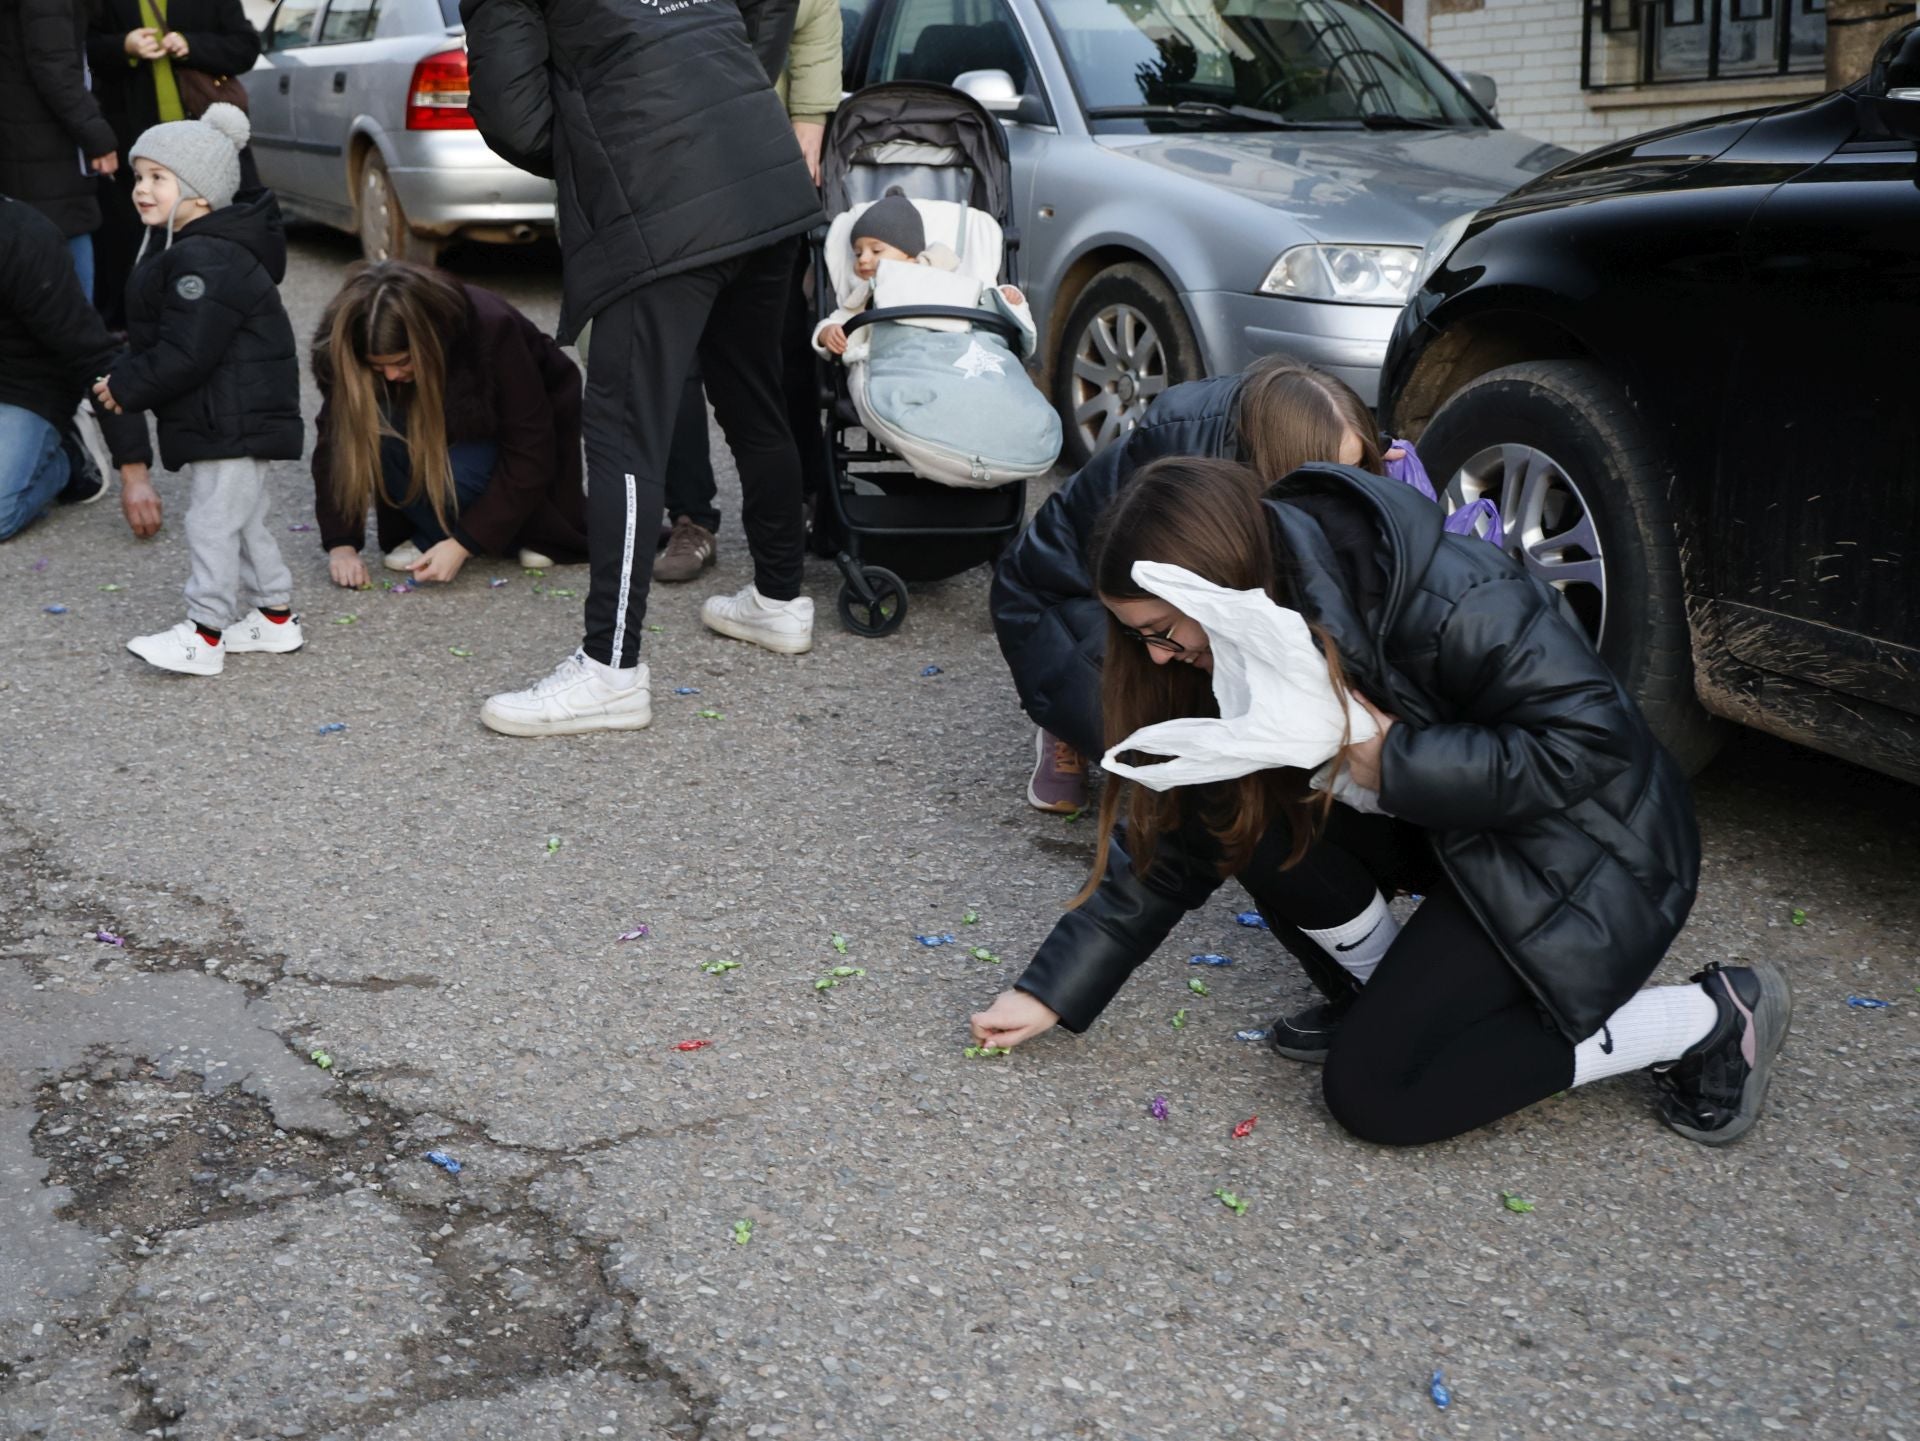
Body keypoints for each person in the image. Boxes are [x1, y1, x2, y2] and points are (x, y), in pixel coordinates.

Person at [972, 455, 1791, 1149]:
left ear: (1221, 581)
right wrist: (1053, 989)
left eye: (1161, 628)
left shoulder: (1443, 594)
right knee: (1236, 813)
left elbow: (1591, 746)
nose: (1160, 654)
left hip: (1584, 852)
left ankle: (1706, 1018)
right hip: (1453, 830)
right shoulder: (1230, 644)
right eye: (1138, 635)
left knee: (1377, 1095)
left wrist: (1395, 757)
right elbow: (1177, 831)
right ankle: (1383, 992)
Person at [464, 0, 824, 738]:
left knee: (624, 431)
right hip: (759, 167)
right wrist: (708, 102)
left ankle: (610, 669)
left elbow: (512, 115)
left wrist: (615, 141)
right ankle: (780, 600)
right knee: (755, 397)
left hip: (656, 188)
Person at [1001, 357, 1405, 823]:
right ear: (1284, 464)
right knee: (1191, 750)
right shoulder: (1185, 459)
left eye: (1355, 469)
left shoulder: (1299, 436)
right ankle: (1061, 725)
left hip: (1154, 605)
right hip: (1068, 601)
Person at [90, 104, 303, 676]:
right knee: (243, 517)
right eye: (139, 176)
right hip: (233, 412)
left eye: (159, 178)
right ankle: (274, 618)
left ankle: (205, 633)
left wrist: (126, 385)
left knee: (212, 520)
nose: (141, 189)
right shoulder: (194, 247)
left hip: (229, 416)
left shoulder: (204, 258)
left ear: (202, 194)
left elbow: (189, 350)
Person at [656, 0, 842, 584]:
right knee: (674, 371)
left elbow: (813, 14)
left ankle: (798, 527)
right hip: (664, 179)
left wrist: (809, 117)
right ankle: (693, 519)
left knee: (772, 367)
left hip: (759, 175)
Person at [309, 262, 589, 590]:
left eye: (402, 362)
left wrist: (463, 544)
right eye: (377, 367)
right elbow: (336, 443)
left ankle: (524, 530)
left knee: (462, 474)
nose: (391, 376)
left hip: (508, 441)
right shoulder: (346, 352)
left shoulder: (491, 330)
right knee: (373, 420)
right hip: (447, 436)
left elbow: (531, 448)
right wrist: (341, 545)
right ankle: (435, 530)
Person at [86, 0, 259, 327]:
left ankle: (219, 318)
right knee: (134, 247)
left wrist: (191, 45)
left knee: (215, 238)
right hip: (135, 147)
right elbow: (84, 48)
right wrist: (125, 46)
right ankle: (141, 329)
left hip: (203, 145)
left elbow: (246, 47)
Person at [0, 193, 147, 539]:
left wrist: (134, 469)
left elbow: (94, 354)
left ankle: (71, 458)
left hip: (29, 386)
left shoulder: (22, 238)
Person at [0, 0, 122, 304]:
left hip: (25, 140)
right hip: (46, 144)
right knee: (68, 244)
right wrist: (98, 137)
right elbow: (55, 68)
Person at [810, 191, 1028, 360]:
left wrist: (1007, 298)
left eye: (876, 251)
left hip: (947, 349)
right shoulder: (863, 294)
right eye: (857, 253)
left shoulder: (938, 275)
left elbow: (978, 299)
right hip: (896, 356)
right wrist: (827, 333)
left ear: (910, 256)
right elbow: (839, 318)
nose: (863, 259)